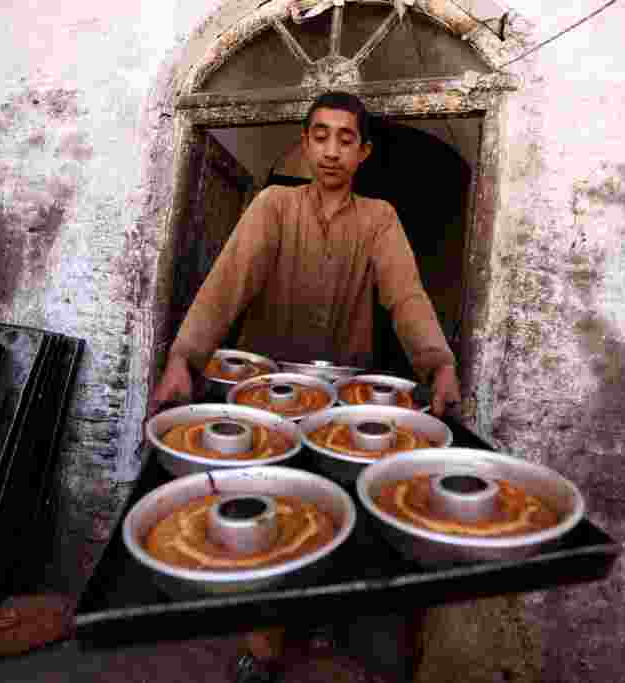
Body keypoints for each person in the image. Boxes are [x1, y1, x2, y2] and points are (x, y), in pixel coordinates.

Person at [148, 91, 462, 682]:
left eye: (346, 138)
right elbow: (225, 286)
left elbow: (407, 297)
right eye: (320, 135)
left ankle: (315, 620)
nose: (331, 150)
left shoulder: (379, 219)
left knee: (332, 511)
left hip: (341, 404)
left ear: (363, 152)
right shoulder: (273, 206)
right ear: (305, 140)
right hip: (265, 399)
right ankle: (263, 646)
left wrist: (436, 362)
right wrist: (183, 356)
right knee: (269, 507)